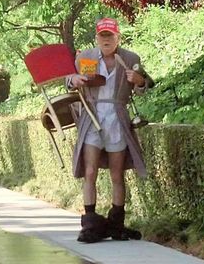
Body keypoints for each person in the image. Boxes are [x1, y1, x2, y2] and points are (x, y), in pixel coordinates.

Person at [67, 18, 153, 243]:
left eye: (110, 36)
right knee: (90, 171)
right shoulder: (85, 57)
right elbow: (68, 80)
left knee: (117, 173)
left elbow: (145, 86)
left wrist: (139, 81)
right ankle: (90, 222)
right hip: (93, 116)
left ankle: (116, 223)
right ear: (96, 38)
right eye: (102, 36)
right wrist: (73, 79)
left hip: (117, 117)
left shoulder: (130, 58)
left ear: (118, 38)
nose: (106, 40)